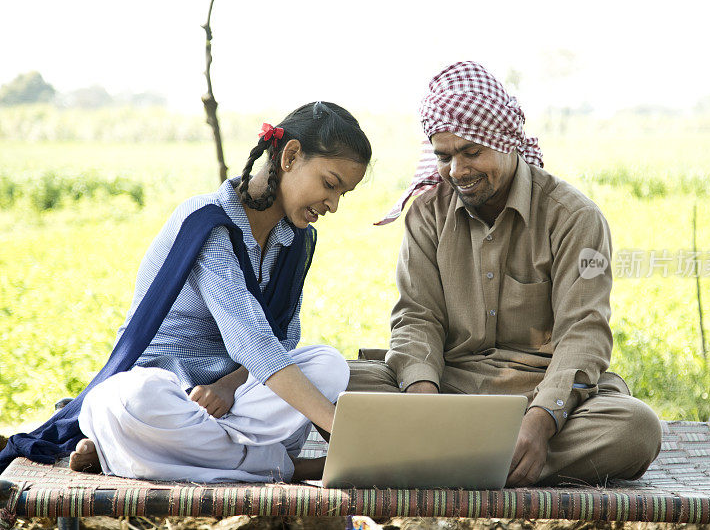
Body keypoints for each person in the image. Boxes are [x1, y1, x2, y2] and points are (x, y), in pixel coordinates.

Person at [0, 101, 371, 483]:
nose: (334, 205)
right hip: (169, 393)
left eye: (344, 194)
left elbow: (283, 338)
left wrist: (228, 385)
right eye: (330, 184)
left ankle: (134, 452)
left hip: (236, 402)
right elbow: (253, 341)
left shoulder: (295, 241)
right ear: (290, 156)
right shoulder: (207, 223)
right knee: (133, 400)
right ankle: (285, 465)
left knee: (327, 364)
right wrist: (341, 432)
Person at [349, 62, 662, 487]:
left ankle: (440, 458)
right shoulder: (427, 213)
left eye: (472, 152)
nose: (457, 171)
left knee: (634, 428)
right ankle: (493, 462)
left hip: (540, 397)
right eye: (444, 156)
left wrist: (539, 422)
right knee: (328, 381)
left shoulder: (574, 218)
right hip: (446, 387)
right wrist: (423, 404)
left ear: (507, 141)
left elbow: (583, 334)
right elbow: (416, 318)